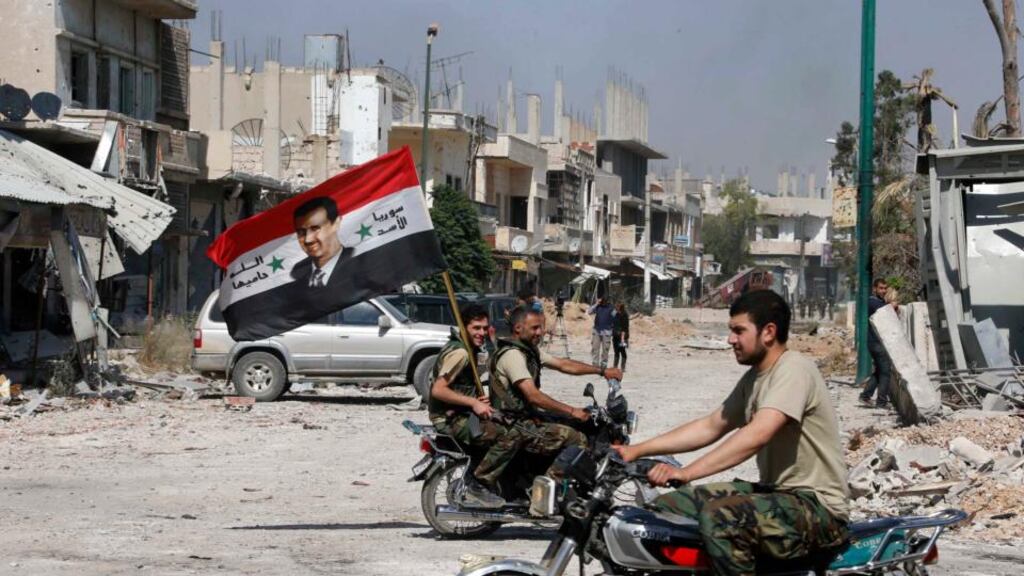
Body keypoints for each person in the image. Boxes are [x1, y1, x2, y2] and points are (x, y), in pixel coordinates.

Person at [614, 290, 849, 576]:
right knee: (668, 507)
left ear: (768, 332)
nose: (730, 339)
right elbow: (712, 425)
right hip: (778, 494)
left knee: (721, 518)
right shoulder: (755, 378)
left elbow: (757, 434)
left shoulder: (794, 370)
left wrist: (686, 473)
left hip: (818, 508)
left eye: (739, 331)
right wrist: (635, 451)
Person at [489, 306, 624, 482]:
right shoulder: (513, 355)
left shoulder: (529, 351)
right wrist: (572, 410)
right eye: (535, 328)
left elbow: (563, 364)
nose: (540, 332)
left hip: (524, 416)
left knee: (576, 423)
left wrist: (602, 371)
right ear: (518, 329)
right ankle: (548, 491)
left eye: (541, 327)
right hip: (513, 422)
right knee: (576, 438)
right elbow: (533, 396)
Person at [427, 304, 512, 508]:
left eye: (484, 328)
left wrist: (476, 398)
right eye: (476, 328)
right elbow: (438, 390)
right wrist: (473, 402)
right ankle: (477, 484)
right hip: (449, 419)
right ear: (464, 327)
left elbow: (459, 388)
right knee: (509, 436)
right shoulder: (461, 353)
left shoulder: (469, 350)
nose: (481, 332)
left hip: (459, 413)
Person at [289, 196, 353, 288]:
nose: (308, 240)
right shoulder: (296, 273)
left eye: (315, 229)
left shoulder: (359, 263)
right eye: (301, 232)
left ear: (336, 224)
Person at [860, 278, 894, 409]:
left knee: (880, 371)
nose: (883, 291)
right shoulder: (873, 302)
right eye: (881, 288)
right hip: (876, 343)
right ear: (874, 288)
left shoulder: (878, 301)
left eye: (885, 288)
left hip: (876, 342)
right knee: (885, 372)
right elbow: (887, 309)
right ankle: (881, 402)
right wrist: (893, 305)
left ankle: (865, 396)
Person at [588, 296, 615, 368]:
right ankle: (595, 364)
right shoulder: (598, 306)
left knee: (605, 349)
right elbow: (589, 312)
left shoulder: (611, 308)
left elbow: (616, 317)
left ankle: (604, 364)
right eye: (602, 301)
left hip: (607, 332)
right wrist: (596, 304)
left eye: (604, 301)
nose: (603, 302)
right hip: (597, 330)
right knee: (595, 348)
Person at [612, 302, 630, 372]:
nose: (616, 307)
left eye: (617, 306)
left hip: (622, 336)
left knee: (623, 352)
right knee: (616, 352)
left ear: (621, 307)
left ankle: (622, 367)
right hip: (615, 335)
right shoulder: (615, 313)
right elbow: (610, 317)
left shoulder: (624, 315)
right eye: (616, 306)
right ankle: (615, 367)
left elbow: (625, 328)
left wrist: (623, 338)